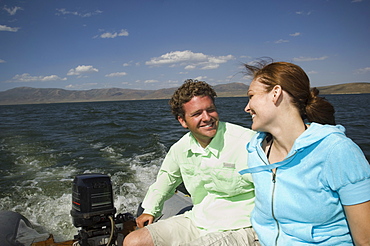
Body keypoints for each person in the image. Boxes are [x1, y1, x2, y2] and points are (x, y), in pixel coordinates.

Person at [239, 60, 370, 245]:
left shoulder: (337, 151)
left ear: (275, 93)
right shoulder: (255, 149)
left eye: (251, 96)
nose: (246, 107)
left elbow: (365, 239)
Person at [123, 79, 258, 246]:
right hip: (200, 220)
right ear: (182, 121)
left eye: (211, 110)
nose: (207, 118)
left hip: (243, 226)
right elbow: (166, 180)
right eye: (197, 114)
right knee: (133, 241)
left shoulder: (247, 142)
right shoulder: (180, 149)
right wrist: (150, 210)